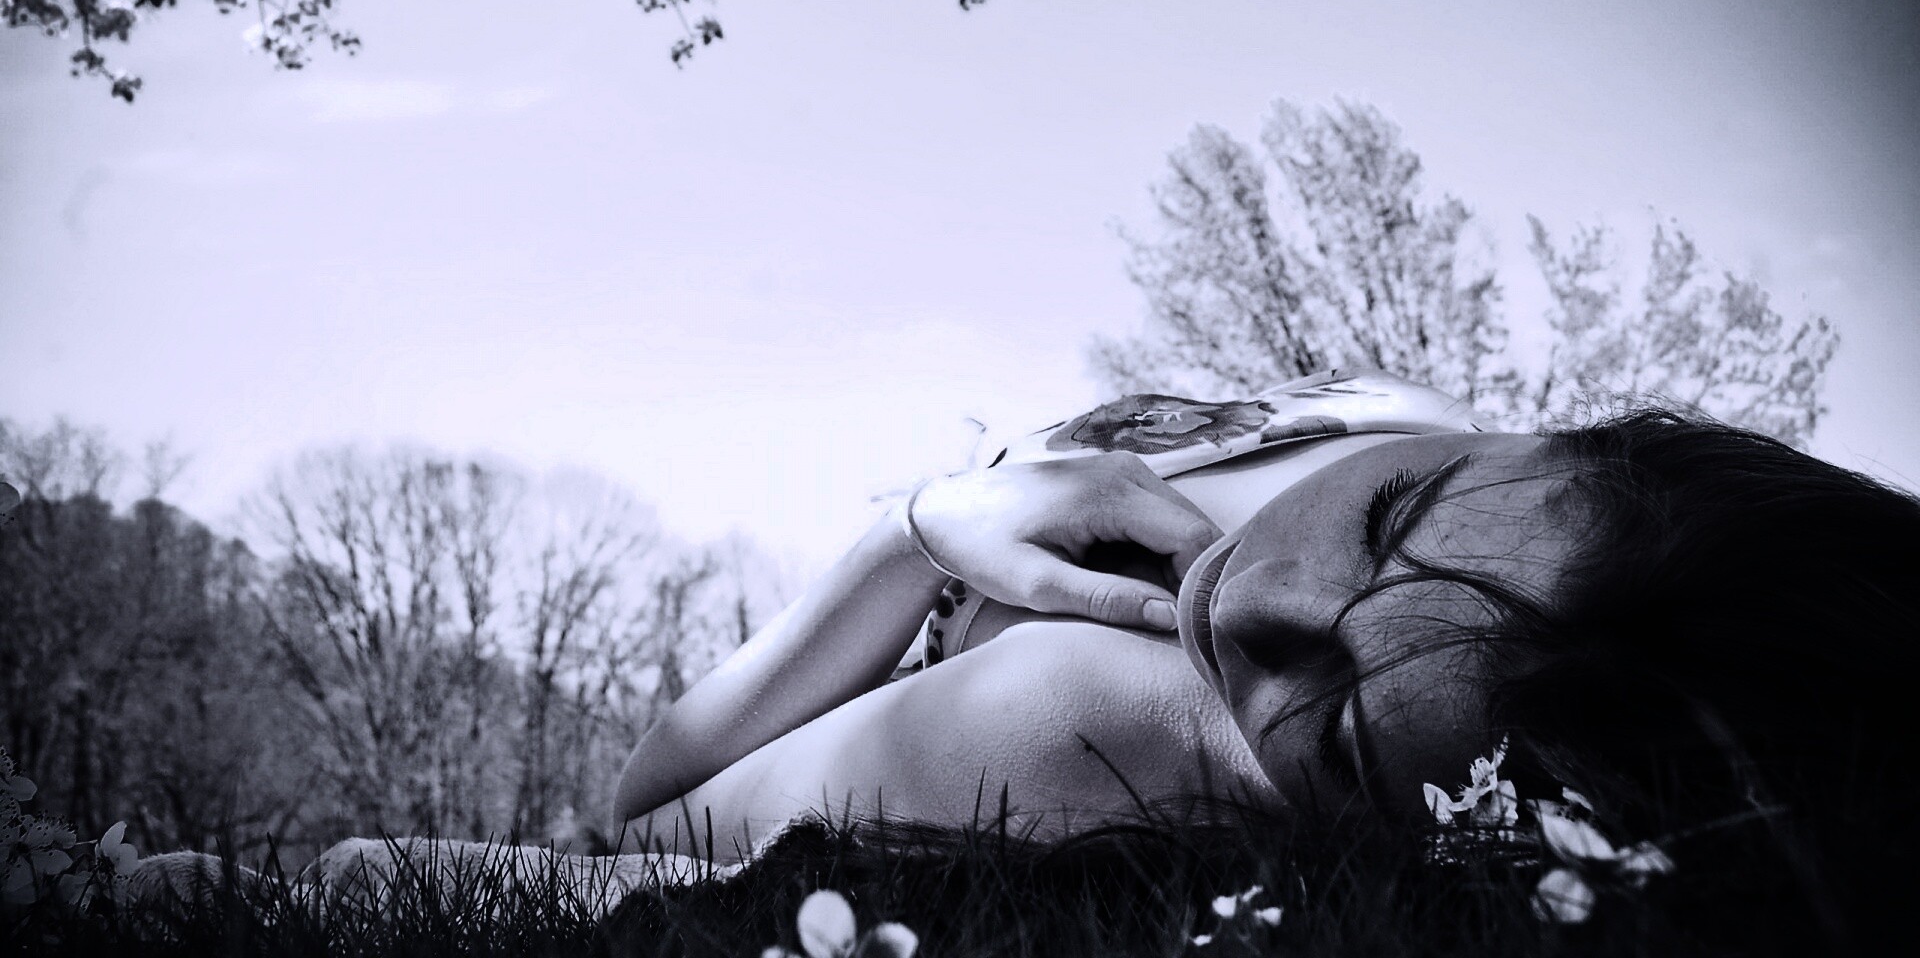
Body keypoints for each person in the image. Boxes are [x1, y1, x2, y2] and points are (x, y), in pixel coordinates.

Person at [611, 363, 1920, 938]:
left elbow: (647, 819)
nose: (1247, 608)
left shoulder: (1088, 716)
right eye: (1389, 513)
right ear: (1569, 442)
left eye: (1338, 731)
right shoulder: (1398, 411)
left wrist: (912, 538)